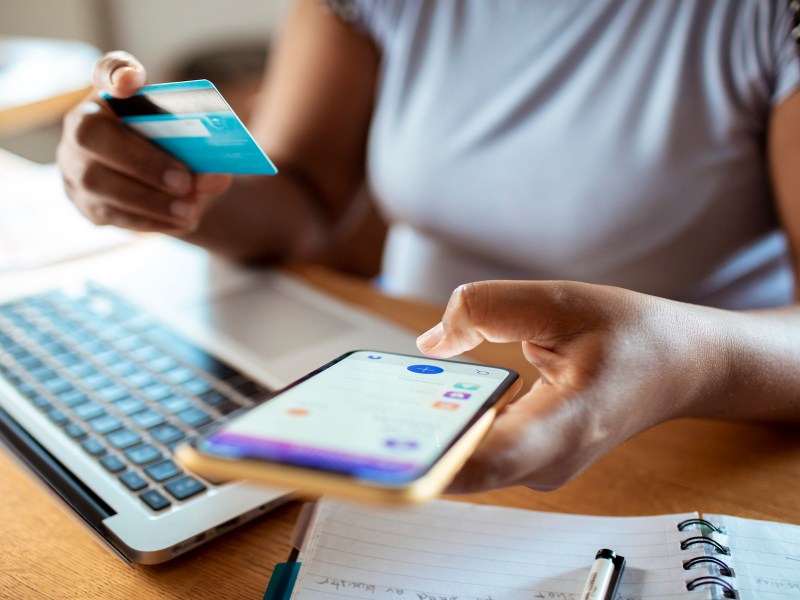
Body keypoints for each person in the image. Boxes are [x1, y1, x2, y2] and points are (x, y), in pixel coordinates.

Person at [57, 0, 800, 493]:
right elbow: (304, 200)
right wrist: (162, 182)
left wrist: (682, 360)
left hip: (691, 440)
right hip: (391, 374)